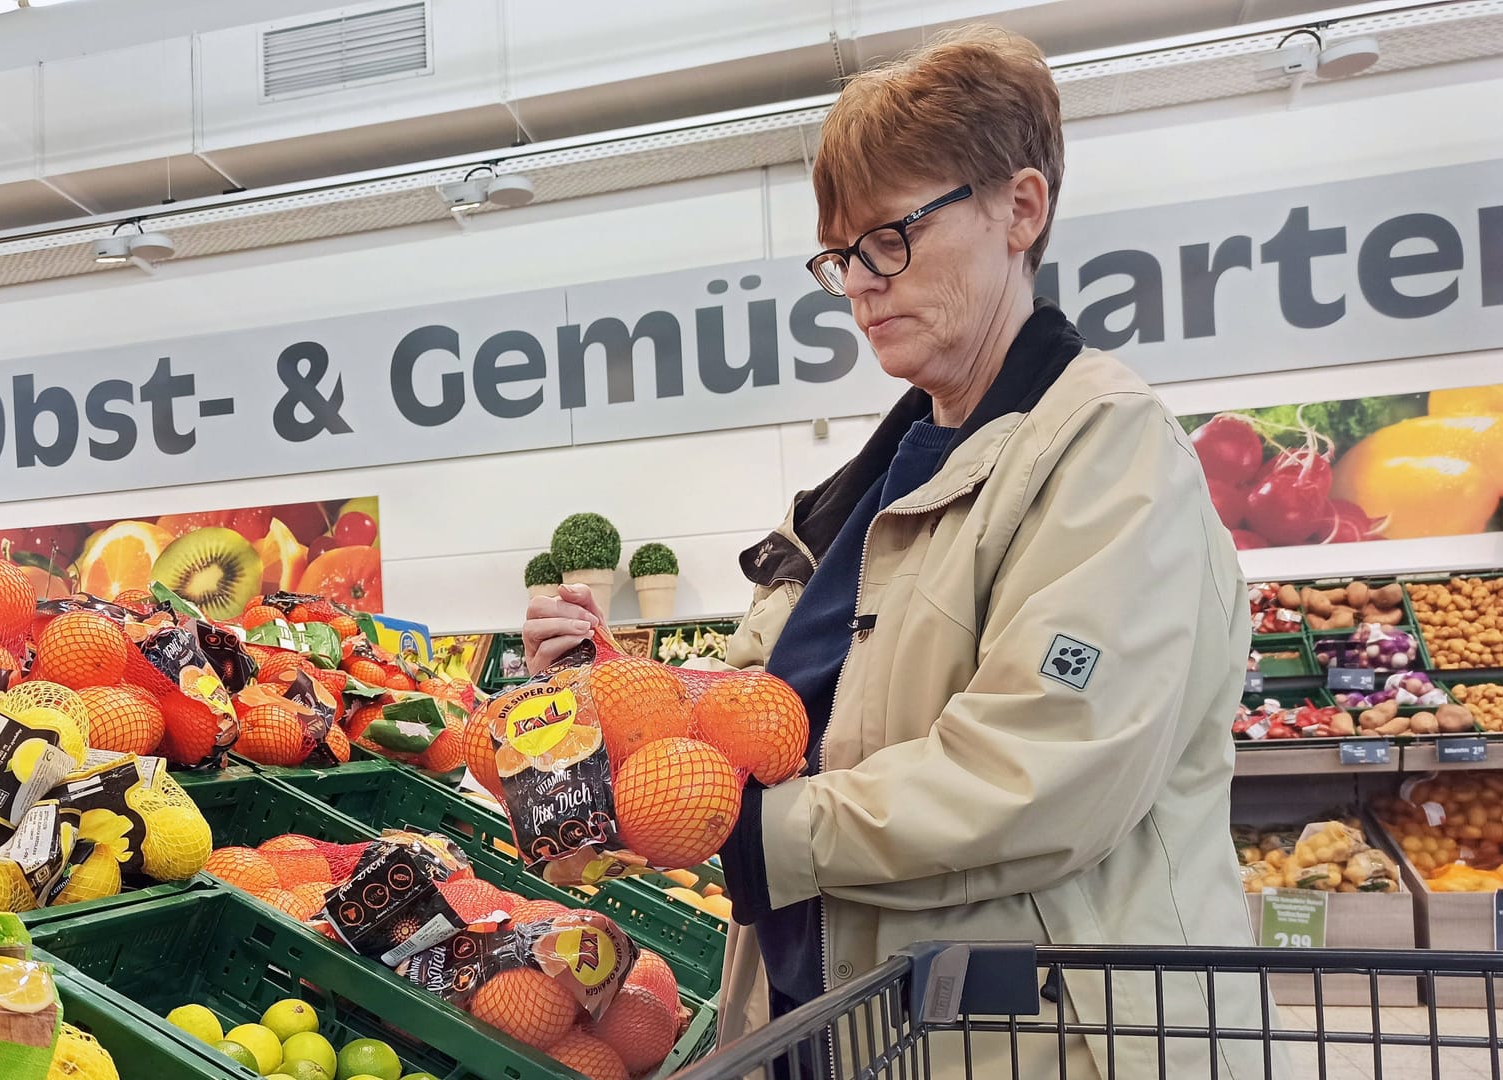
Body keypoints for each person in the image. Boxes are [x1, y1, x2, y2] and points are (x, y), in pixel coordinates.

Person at [525, 26, 1275, 1079]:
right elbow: (761, 719)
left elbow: (1041, 773)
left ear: (1020, 208)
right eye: (841, 255)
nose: (863, 284)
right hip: (849, 1017)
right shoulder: (876, 481)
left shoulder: (1106, 452)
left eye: (893, 235)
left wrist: (752, 838)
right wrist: (614, 701)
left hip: (1043, 1039)